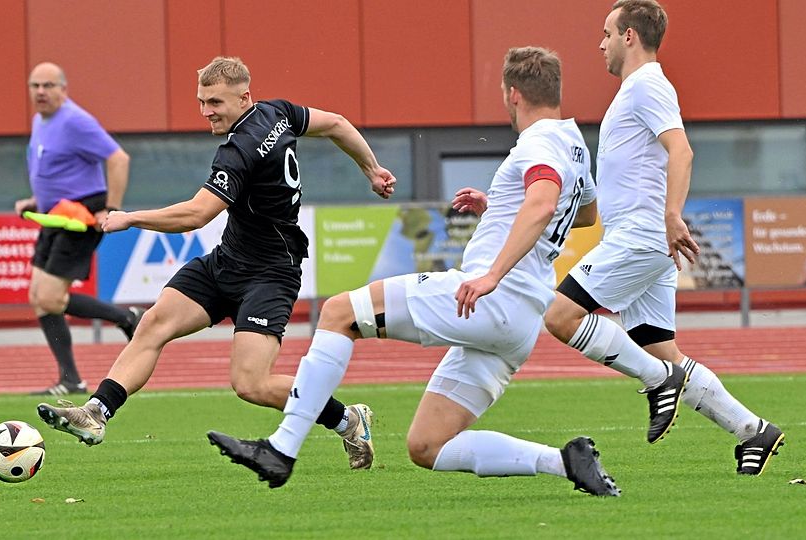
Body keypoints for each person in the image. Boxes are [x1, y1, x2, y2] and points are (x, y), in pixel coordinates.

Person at [208, 47, 620, 497]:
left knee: (339, 313)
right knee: (428, 445)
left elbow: (542, 203)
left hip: (488, 297)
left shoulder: (537, 143)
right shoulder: (573, 143)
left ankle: (282, 449)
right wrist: (499, 208)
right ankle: (566, 462)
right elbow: (583, 214)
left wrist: (492, 275)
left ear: (513, 93)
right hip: (521, 320)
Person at [35, 56, 396, 470]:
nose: (206, 111)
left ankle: (348, 420)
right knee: (154, 323)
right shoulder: (277, 112)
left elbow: (196, 215)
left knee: (251, 384)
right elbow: (336, 124)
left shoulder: (239, 149)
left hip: (270, 274)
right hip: (228, 261)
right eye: (201, 102)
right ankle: (97, 412)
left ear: (244, 98)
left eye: (215, 103)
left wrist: (131, 218)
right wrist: (371, 170)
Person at [542, 0, 784, 475]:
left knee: (560, 315)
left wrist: (673, 215)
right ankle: (753, 430)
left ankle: (659, 382)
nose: (601, 44)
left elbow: (682, 150)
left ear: (629, 36)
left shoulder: (647, 84)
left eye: (607, 34)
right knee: (660, 350)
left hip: (643, 234)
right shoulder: (635, 89)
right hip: (641, 236)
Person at [16, 62, 143, 397]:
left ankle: (128, 318)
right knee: (39, 298)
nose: (40, 92)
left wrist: (111, 209)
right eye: (35, 86)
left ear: (63, 89)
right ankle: (71, 379)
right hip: (54, 215)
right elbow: (56, 170)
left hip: (80, 215)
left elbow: (119, 159)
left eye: (48, 85)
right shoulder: (40, 120)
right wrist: (35, 200)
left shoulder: (75, 120)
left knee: (50, 297)